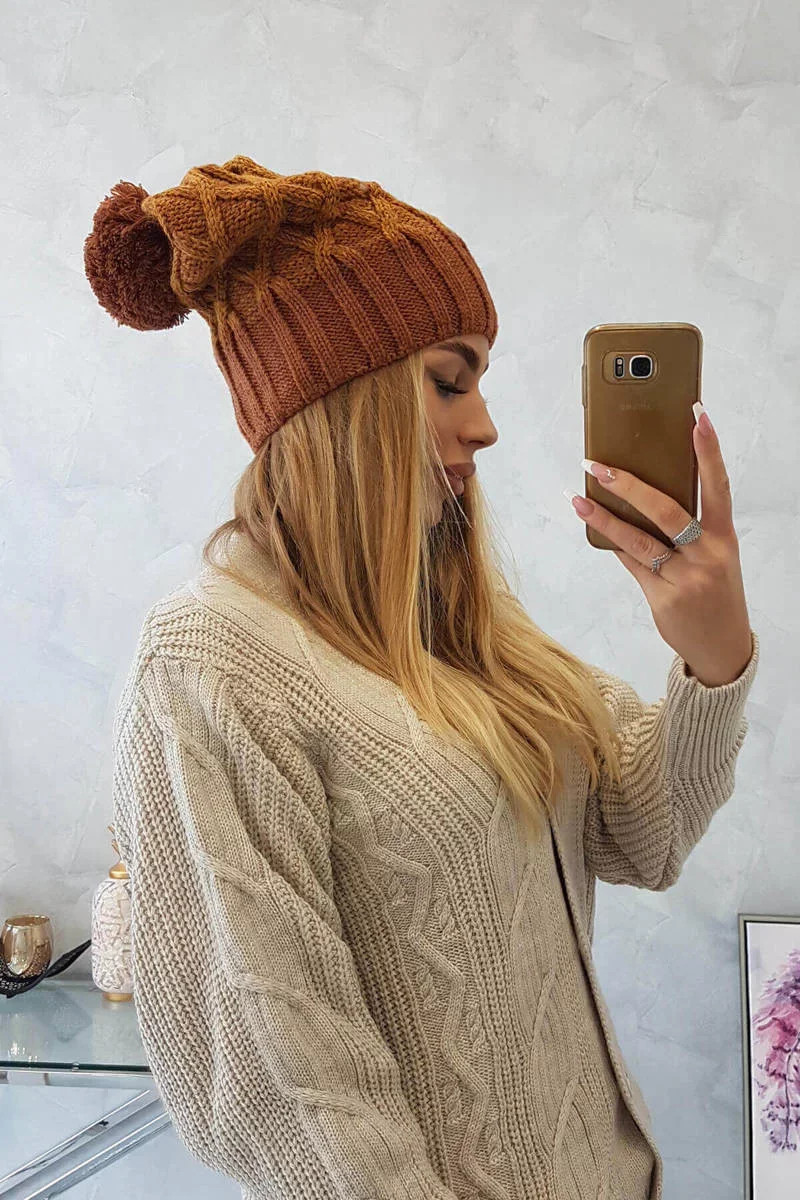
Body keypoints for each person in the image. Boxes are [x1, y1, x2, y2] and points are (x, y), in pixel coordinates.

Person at [84, 155, 758, 1200]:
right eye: (450, 380)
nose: (484, 425)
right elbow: (288, 1086)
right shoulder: (211, 662)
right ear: (341, 395)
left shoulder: (457, 625)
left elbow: (644, 832)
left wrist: (713, 654)